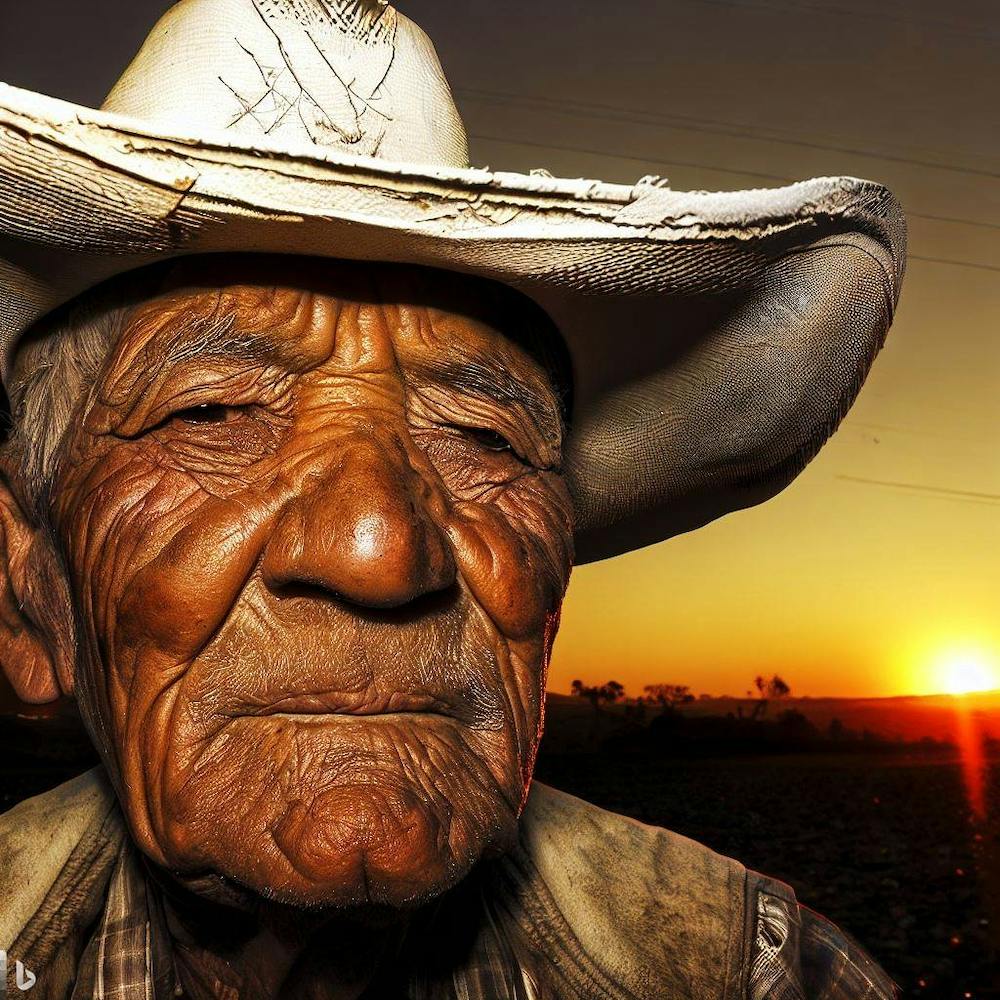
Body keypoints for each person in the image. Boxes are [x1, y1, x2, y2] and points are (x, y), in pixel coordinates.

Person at [0, 1, 905, 997]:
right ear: (27, 595)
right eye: (212, 414)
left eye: (483, 438)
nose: (380, 549)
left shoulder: (750, 973)